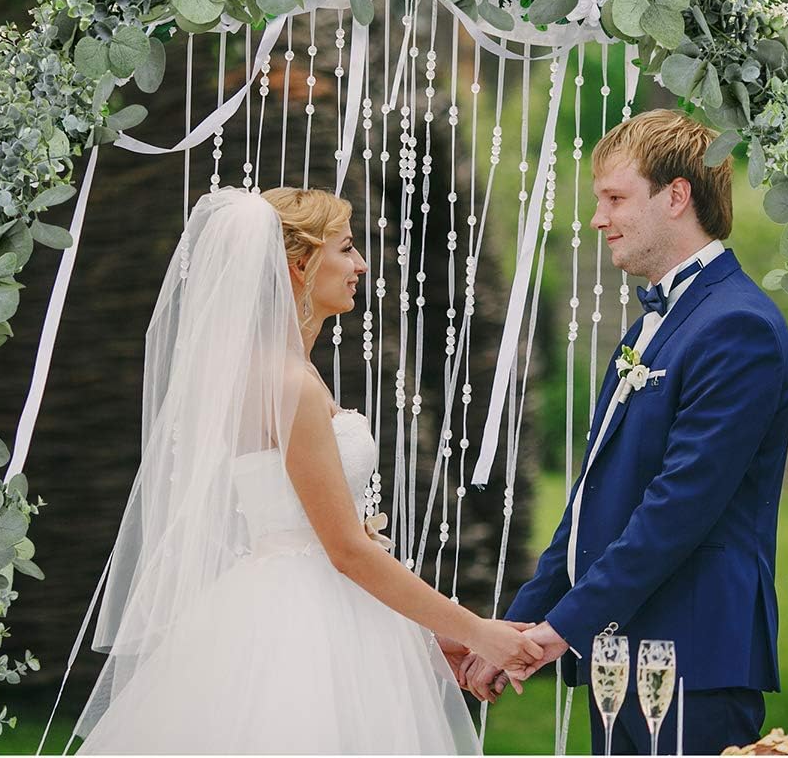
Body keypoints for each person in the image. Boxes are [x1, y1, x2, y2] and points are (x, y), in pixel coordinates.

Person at [73, 185, 541, 755]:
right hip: (297, 633)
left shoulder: (288, 371)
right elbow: (344, 549)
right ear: (300, 265)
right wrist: (478, 631)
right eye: (346, 249)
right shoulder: (288, 384)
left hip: (313, 608)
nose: (360, 265)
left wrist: (424, 642)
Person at [459, 109, 788, 756]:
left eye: (615, 198)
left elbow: (677, 509)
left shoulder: (737, 327)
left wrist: (559, 631)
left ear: (677, 196)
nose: (598, 219)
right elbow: (593, 506)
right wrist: (515, 626)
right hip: (626, 648)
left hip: (695, 655)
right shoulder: (652, 325)